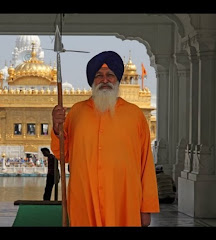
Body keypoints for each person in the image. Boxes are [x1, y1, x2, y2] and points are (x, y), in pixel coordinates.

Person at [51, 51, 160, 226]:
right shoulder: (76, 113)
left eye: (110, 75)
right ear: (92, 81)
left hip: (123, 200)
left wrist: (146, 208)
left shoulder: (134, 115)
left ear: (117, 79)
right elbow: (62, 154)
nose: (105, 80)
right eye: (99, 75)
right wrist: (57, 129)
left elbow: (146, 166)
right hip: (85, 198)